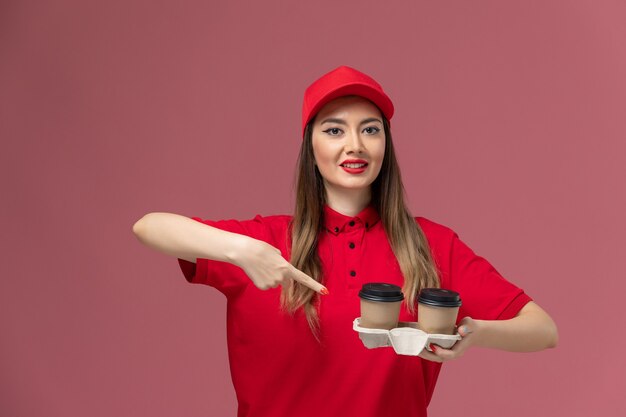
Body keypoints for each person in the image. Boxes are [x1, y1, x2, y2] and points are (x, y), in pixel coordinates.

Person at [132, 66, 558, 417]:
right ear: (310, 146)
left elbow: (542, 329)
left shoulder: (432, 244)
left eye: (370, 130)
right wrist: (242, 251)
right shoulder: (267, 240)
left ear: (385, 144)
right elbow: (149, 226)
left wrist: (473, 333)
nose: (355, 145)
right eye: (334, 130)